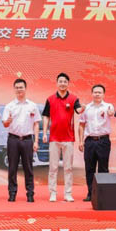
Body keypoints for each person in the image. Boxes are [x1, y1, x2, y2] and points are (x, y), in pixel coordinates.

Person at [42, 72, 84, 202]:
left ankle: (68, 193)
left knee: (68, 168)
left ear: (68, 83)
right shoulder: (50, 99)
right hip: (54, 138)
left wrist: (82, 108)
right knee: (53, 168)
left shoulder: (73, 98)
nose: (62, 83)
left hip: (68, 138)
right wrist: (45, 133)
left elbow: (78, 110)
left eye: (65, 81)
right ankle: (52, 193)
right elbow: (46, 116)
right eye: (60, 81)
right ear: (57, 83)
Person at [2, 78, 40, 202]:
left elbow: (36, 124)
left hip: (28, 140)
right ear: (14, 89)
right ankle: (12, 193)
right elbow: (5, 124)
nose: (19, 90)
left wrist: (36, 141)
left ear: (25, 88)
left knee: (28, 168)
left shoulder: (32, 106)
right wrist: (8, 121)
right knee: (12, 168)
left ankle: (30, 193)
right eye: (17, 87)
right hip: (13, 139)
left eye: (21, 87)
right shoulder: (9, 106)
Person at [78, 84, 114, 202]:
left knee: (103, 168)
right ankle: (91, 193)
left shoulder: (108, 106)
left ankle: (103, 194)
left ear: (103, 94)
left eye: (99, 92)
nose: (97, 94)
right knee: (89, 168)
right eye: (95, 92)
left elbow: (111, 113)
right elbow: (81, 125)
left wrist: (110, 113)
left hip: (103, 141)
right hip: (89, 141)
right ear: (92, 93)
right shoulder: (86, 108)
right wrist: (81, 141)